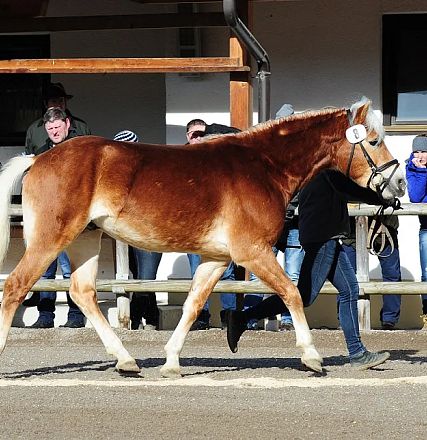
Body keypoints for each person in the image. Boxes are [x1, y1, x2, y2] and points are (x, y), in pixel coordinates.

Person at [226, 170, 392, 370]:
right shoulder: (328, 170)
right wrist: (382, 198)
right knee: (305, 296)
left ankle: (357, 353)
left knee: (349, 291)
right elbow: (352, 190)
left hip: (323, 236)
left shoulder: (314, 170)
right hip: (324, 237)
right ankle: (242, 318)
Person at [27, 108, 86, 328]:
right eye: (50, 128)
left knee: (71, 269)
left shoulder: (80, 149)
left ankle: (75, 315)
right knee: (44, 268)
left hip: (71, 220)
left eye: (57, 127)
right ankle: (45, 316)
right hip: (46, 221)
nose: (54, 131)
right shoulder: (42, 152)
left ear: (67, 124)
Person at [185, 120, 240, 330]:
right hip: (191, 228)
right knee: (196, 272)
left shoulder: (218, 159)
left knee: (225, 272)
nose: (197, 137)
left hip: (218, 226)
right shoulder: (180, 159)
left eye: (201, 134)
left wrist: (211, 133)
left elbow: (238, 134)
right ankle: (199, 315)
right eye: (193, 134)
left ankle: (230, 316)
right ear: (187, 136)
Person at [111, 130, 161, 330]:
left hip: (151, 230)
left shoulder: (151, 171)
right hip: (127, 232)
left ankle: (135, 317)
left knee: (146, 276)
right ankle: (151, 317)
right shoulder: (116, 176)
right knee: (138, 275)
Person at [341, 215, 401, 330]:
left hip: (385, 226)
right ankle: (345, 317)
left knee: (392, 274)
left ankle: (389, 320)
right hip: (352, 229)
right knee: (345, 275)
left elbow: (399, 196)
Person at [25, 82, 90, 155]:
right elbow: (29, 158)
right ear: (46, 104)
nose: (58, 105)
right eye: (54, 101)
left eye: (61, 100)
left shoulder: (81, 127)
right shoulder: (34, 130)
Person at [405, 134, 427, 319]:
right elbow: (415, 198)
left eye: (423, 151)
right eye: (416, 151)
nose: (419, 155)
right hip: (426, 227)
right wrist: (421, 172)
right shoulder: (412, 168)